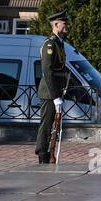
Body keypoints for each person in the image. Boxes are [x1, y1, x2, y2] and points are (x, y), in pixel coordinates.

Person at [36, 10, 72, 164]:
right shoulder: (50, 44)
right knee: (46, 124)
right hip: (50, 92)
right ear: (56, 25)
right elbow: (47, 71)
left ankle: (49, 151)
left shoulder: (59, 43)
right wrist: (55, 96)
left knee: (54, 126)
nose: (67, 26)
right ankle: (42, 153)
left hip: (57, 90)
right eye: (64, 23)